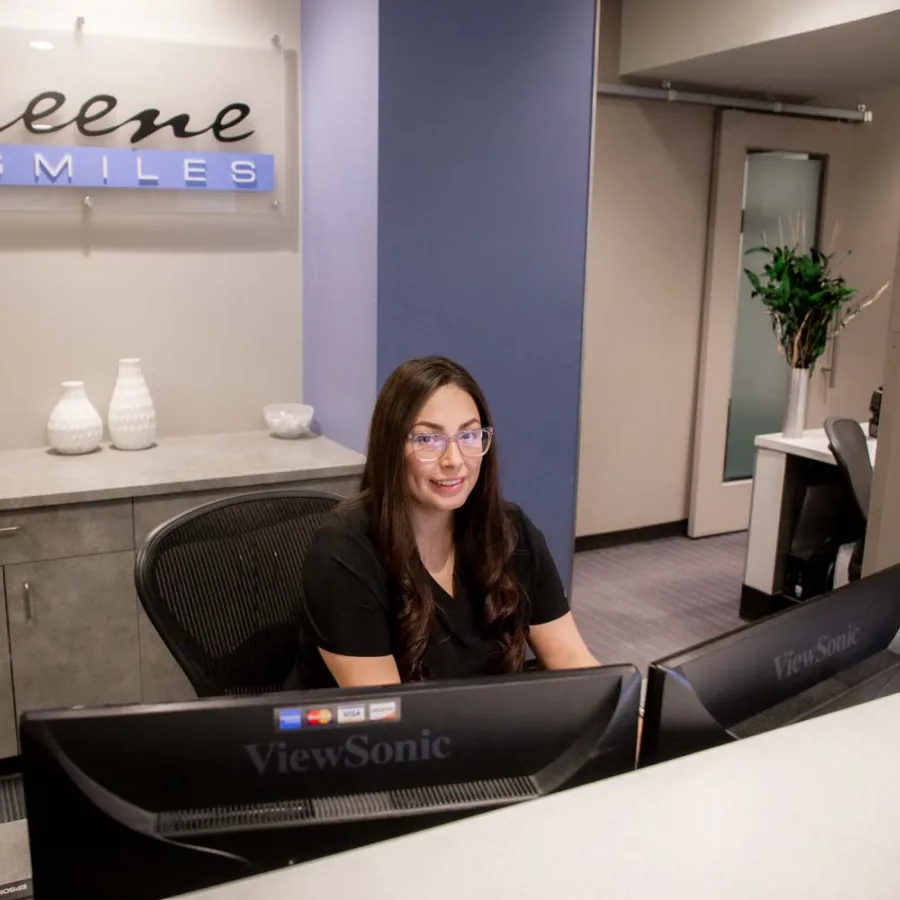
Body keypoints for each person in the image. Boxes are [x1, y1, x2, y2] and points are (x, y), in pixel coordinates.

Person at [299, 355, 599, 688]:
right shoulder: (344, 550)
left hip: (487, 732)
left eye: (469, 436)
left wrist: (635, 716)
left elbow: (575, 663)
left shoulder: (510, 532)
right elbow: (388, 716)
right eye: (428, 440)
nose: (454, 461)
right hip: (380, 738)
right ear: (390, 448)